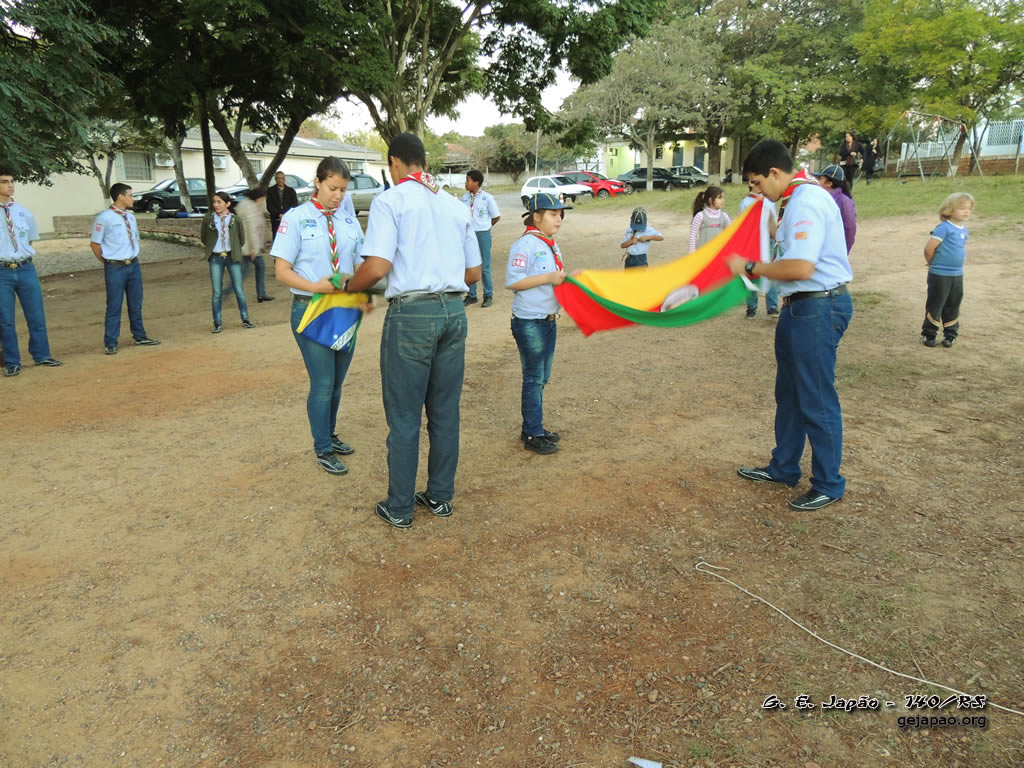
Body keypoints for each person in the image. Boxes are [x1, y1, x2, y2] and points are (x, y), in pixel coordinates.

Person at [342, 133, 481, 529]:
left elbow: (377, 267)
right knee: (444, 411)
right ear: (425, 162)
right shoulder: (454, 205)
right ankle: (440, 496)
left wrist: (350, 289)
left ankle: (400, 507)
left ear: (394, 163)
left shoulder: (392, 200)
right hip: (454, 312)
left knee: (404, 416)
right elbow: (473, 273)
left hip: (412, 314)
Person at [726, 138, 853, 511]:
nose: (757, 191)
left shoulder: (805, 202)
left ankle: (828, 483)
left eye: (757, 183)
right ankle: (783, 467)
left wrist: (750, 267)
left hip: (817, 307)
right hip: (800, 307)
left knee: (815, 397)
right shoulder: (793, 200)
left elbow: (800, 267)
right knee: (791, 395)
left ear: (774, 173)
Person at [271, 157, 370, 474]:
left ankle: (330, 432)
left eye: (343, 190)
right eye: (332, 188)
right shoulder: (296, 219)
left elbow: (360, 263)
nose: (338, 196)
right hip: (311, 308)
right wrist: (315, 286)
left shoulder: (349, 221)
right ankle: (323, 447)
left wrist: (362, 291)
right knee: (323, 382)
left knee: (338, 382)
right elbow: (281, 271)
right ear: (317, 182)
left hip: (345, 307)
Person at [507, 193, 571, 455]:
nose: (559, 219)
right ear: (536, 216)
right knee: (534, 378)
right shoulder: (525, 245)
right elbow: (513, 281)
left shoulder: (550, 245)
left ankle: (533, 426)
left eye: (560, 215)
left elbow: (555, 278)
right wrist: (548, 278)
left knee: (542, 377)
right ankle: (532, 433)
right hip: (529, 321)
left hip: (548, 320)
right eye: (553, 214)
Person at [0, 166, 62, 376]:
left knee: (36, 314)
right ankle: (12, 362)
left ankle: (42, 355)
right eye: (4, 182)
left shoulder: (23, 212)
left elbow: (30, 240)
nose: (10, 185)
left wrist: (20, 257)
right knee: (5, 319)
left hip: (26, 268)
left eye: (12, 181)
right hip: (2, 272)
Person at [90, 183, 161, 355]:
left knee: (136, 303)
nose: (133, 199)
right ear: (120, 197)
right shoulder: (104, 218)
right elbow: (95, 244)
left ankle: (139, 336)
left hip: (133, 265)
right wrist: (107, 261)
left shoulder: (130, 217)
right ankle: (111, 341)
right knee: (114, 305)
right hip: (115, 267)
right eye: (130, 195)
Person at [921, 193, 973, 349]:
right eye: (962, 208)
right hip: (940, 275)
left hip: (957, 274)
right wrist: (934, 265)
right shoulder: (944, 228)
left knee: (953, 304)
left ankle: (950, 334)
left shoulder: (964, 230)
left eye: (969, 208)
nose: (966, 211)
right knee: (936, 304)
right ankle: (929, 334)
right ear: (949, 210)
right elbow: (929, 250)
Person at [201, 191, 254, 333]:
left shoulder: (235, 220)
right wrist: (214, 248)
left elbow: (241, 239)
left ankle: (245, 318)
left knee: (239, 289)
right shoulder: (209, 219)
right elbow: (204, 238)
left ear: (227, 204)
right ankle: (217, 322)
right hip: (216, 257)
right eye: (214, 202)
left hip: (232, 257)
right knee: (217, 292)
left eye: (219, 202)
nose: (216, 205)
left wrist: (234, 250)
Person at [737, 182, 779, 318]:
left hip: (768, 240)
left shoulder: (769, 200)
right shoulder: (745, 203)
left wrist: (776, 239)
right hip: (753, 242)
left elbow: (773, 221)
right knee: (752, 273)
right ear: (751, 183)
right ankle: (751, 307)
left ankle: (772, 306)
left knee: (771, 273)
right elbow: (742, 225)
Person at [461, 169, 501, 307]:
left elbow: (496, 216)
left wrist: (486, 227)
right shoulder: (465, 198)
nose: (465, 183)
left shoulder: (487, 198)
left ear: (476, 183)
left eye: (468, 180)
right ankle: (471, 295)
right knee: (470, 264)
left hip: (482, 233)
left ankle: (488, 295)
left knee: (485, 266)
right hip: (469, 234)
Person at [235, 188, 275, 303]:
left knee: (244, 270)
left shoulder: (243, 204)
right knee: (258, 267)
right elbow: (252, 230)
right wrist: (254, 249)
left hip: (243, 245)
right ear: (258, 198)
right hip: (249, 246)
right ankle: (261, 294)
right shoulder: (251, 209)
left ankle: (260, 293)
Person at [814, 165, 857, 254]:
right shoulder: (819, 198)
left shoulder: (844, 201)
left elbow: (850, 229)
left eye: (819, 178)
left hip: (834, 252)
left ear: (829, 183)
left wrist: (843, 252)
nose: (816, 181)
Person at [689, 186, 731, 255]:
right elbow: (693, 235)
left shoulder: (724, 216)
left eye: (723, 198)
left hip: (719, 254)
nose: (723, 200)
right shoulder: (700, 216)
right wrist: (692, 253)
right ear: (711, 200)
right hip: (703, 254)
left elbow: (729, 234)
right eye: (719, 198)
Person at [266, 171, 298, 240]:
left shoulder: (291, 191)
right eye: (278, 178)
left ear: (284, 179)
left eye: (282, 178)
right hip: (276, 219)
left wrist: (286, 215)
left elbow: (295, 205)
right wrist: (279, 214)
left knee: (288, 238)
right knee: (277, 238)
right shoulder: (270, 191)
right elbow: (269, 206)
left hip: (288, 219)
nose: (280, 180)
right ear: (275, 179)